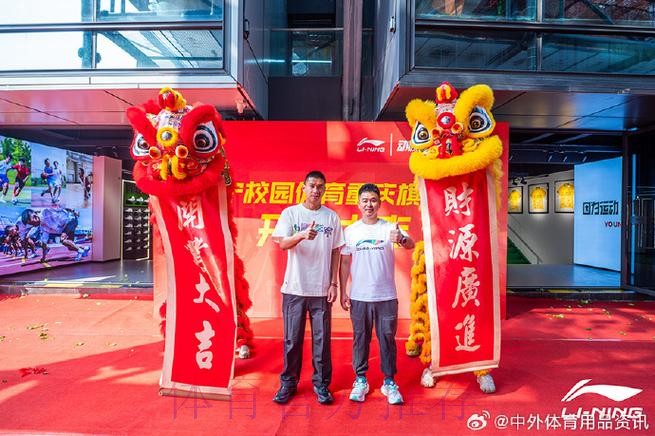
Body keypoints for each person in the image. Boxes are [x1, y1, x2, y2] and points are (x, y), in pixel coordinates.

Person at [271, 170, 344, 405]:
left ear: (324, 190)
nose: (315, 190)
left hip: (321, 290)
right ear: (303, 188)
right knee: (292, 340)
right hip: (294, 288)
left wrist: (333, 283)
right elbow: (283, 244)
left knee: (322, 341)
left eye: (320, 186)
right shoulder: (290, 213)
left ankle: (321, 384)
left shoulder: (331, 217)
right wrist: (301, 235)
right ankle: (288, 383)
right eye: (312, 185)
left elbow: (336, 251)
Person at [339, 183, 415, 405]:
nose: (369, 204)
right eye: (365, 200)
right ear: (358, 204)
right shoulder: (351, 231)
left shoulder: (390, 228)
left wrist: (400, 238)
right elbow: (345, 262)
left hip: (386, 296)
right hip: (359, 296)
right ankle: (360, 379)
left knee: (387, 339)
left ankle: (389, 382)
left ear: (380, 203)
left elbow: (410, 244)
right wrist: (343, 290)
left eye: (373, 200)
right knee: (360, 339)